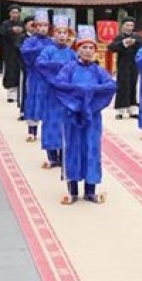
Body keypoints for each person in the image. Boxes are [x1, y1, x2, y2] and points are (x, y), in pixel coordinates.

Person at [51, 26, 117, 204]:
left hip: (92, 118)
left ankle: (90, 190)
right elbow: (59, 85)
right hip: (72, 115)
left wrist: (91, 97)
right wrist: (78, 98)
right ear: (77, 49)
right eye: (84, 47)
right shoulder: (69, 68)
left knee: (91, 149)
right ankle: (72, 191)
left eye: (91, 48)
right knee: (72, 148)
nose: (88, 51)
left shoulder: (99, 71)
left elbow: (110, 86)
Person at [36, 15, 78, 168]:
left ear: (68, 35)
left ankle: (64, 154)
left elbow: (76, 70)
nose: (62, 36)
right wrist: (59, 70)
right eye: (59, 32)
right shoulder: (48, 51)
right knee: (51, 123)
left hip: (67, 95)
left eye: (64, 33)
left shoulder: (72, 53)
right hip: (51, 94)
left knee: (65, 123)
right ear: (53, 34)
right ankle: (53, 156)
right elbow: (40, 64)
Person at [20, 11, 52, 141]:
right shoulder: (29, 41)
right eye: (40, 25)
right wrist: (41, 51)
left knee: (48, 103)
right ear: (35, 26)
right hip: (34, 76)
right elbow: (25, 53)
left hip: (49, 78)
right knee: (33, 101)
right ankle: (32, 131)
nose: (43, 28)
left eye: (45, 25)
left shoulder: (52, 42)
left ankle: (48, 130)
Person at [108, 17, 142, 119]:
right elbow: (111, 48)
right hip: (123, 64)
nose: (129, 28)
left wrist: (135, 42)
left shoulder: (137, 37)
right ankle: (120, 110)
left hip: (134, 64)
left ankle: (132, 109)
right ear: (122, 26)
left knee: (133, 84)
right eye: (127, 25)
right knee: (122, 85)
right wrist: (124, 43)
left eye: (131, 25)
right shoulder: (119, 37)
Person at [0, 5, 25, 103]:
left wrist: (21, 31)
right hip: (9, 51)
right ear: (10, 13)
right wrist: (11, 30)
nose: (15, 14)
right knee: (10, 71)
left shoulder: (22, 24)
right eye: (13, 12)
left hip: (20, 52)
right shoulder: (6, 23)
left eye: (17, 12)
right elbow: (2, 32)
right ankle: (11, 93)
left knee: (19, 71)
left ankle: (19, 92)